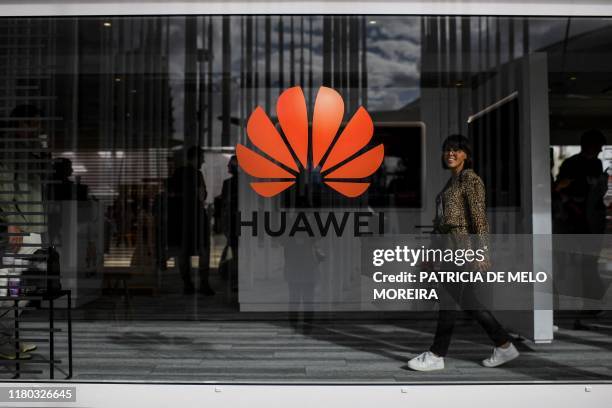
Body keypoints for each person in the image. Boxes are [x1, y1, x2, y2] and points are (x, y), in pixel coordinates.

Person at [408, 134, 519, 371]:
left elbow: (479, 220)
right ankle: (504, 346)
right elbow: (442, 224)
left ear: (466, 155)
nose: (451, 153)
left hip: (462, 251)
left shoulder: (470, 180)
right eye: (447, 149)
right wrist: (431, 253)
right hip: (448, 250)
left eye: (457, 150)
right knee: (470, 303)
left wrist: (483, 253)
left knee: (448, 303)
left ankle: (437, 355)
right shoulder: (452, 182)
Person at [0, 104, 48, 359]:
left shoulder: (27, 148)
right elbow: (6, 186)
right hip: (21, 225)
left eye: (38, 124)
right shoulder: (11, 148)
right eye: (31, 124)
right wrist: (12, 222)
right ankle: (5, 343)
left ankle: (9, 339)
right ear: (19, 124)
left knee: (21, 286)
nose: (36, 128)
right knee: (11, 285)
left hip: (31, 225)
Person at [553, 129, 608, 329]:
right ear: (589, 145)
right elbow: (560, 188)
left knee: (588, 263)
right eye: (598, 146)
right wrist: (570, 201)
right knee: (582, 263)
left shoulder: (596, 163)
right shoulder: (573, 164)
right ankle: (591, 302)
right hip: (576, 219)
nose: (600, 150)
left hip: (590, 220)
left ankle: (591, 302)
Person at [167, 146, 214, 295]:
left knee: (183, 252)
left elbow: (171, 194)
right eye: (202, 158)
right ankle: (204, 283)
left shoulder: (176, 174)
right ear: (196, 158)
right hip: (196, 217)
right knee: (203, 249)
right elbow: (202, 196)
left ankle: (187, 284)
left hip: (180, 218)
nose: (203, 161)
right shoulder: (197, 174)